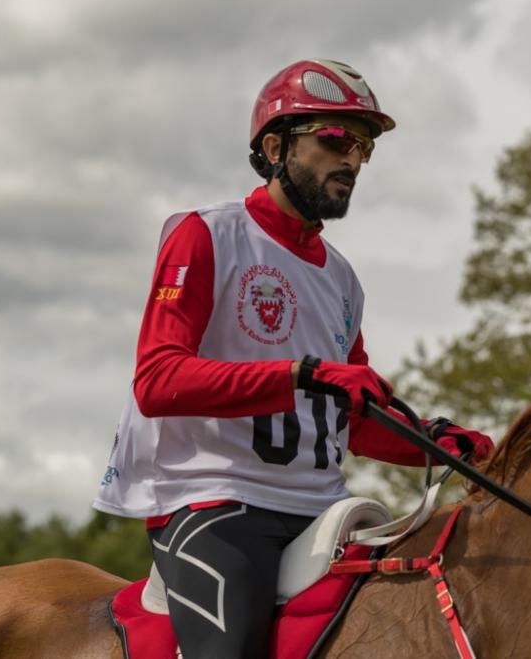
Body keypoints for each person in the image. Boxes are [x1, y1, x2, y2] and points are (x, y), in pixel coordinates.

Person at [93, 58, 494, 659]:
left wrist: (440, 442)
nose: (353, 161)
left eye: (363, 148)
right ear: (276, 146)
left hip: (323, 511)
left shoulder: (342, 280)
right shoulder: (205, 234)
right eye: (335, 139)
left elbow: (352, 418)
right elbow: (157, 381)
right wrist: (301, 375)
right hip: (216, 501)